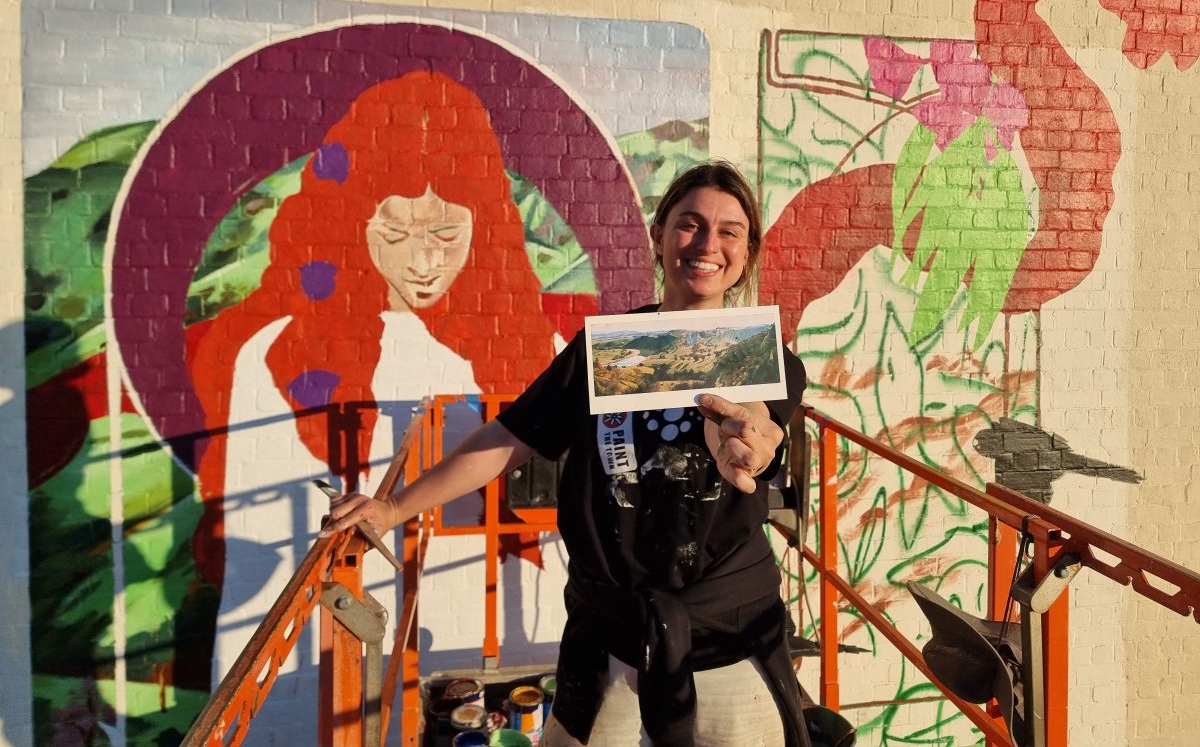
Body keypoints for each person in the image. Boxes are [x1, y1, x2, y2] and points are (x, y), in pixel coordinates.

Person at [323, 159, 811, 747]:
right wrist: (393, 509)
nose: (708, 244)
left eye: (730, 231)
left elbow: (765, 435)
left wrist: (752, 452)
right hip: (609, 639)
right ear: (659, 235)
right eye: (689, 224)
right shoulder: (608, 353)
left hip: (730, 639)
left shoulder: (764, 361)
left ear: (747, 251)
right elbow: (509, 437)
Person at [190, 70, 565, 688]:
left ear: (488, 225)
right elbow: (256, 568)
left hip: (498, 632)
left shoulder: (540, 350)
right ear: (350, 224)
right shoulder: (275, 356)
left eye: (447, 233)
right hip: (334, 648)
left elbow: (558, 534)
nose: (425, 262)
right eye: (395, 233)